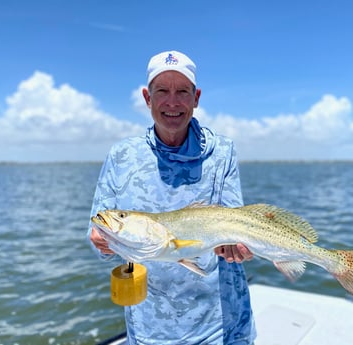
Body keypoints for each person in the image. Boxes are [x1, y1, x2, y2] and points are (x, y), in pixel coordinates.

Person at [87, 50, 256, 345]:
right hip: (150, 330)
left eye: (182, 91)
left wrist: (238, 248)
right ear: (147, 98)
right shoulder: (121, 155)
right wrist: (102, 243)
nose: (173, 102)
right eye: (162, 91)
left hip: (223, 327)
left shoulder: (223, 152)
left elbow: (235, 223)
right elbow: (97, 234)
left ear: (196, 97)